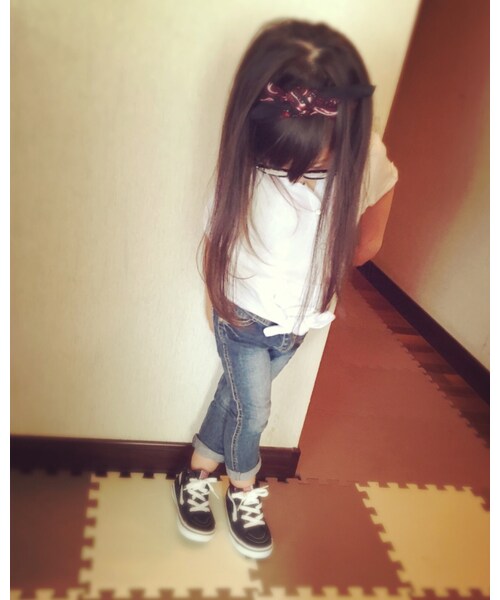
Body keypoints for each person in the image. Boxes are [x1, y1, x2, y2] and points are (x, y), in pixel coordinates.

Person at [172, 18, 398, 560]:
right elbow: (215, 233)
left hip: (301, 322)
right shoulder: (245, 159)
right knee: (254, 412)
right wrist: (217, 298)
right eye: (281, 167)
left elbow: (384, 190)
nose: (297, 178)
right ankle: (242, 486)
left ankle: (196, 472)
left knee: (234, 398)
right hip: (244, 316)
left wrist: (363, 246)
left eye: (315, 169)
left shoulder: (363, 154)